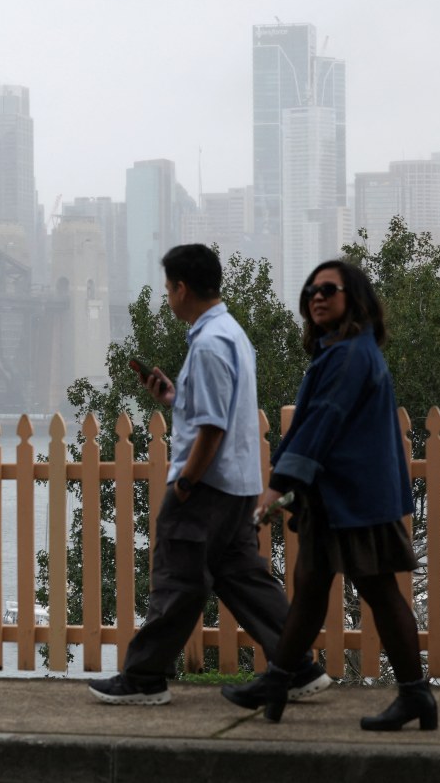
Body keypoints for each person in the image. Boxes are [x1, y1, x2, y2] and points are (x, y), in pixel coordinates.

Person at [89, 245, 329, 705]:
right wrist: (174, 398)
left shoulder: (208, 344)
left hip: (205, 487)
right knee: (242, 577)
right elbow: (215, 411)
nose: (167, 297)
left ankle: (143, 679)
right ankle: (297, 667)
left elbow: (213, 428)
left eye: (167, 288)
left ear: (182, 288)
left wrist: (184, 483)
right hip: (238, 485)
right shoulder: (232, 334)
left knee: (177, 579)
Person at [221, 260, 434, 730]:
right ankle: (277, 683)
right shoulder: (337, 352)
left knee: (378, 592)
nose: (317, 297)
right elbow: (311, 426)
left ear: (353, 298)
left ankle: (416, 696)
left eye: (329, 290)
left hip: (355, 500)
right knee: (310, 591)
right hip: (337, 499)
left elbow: (322, 423)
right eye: (311, 290)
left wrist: (278, 485)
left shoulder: (350, 355)